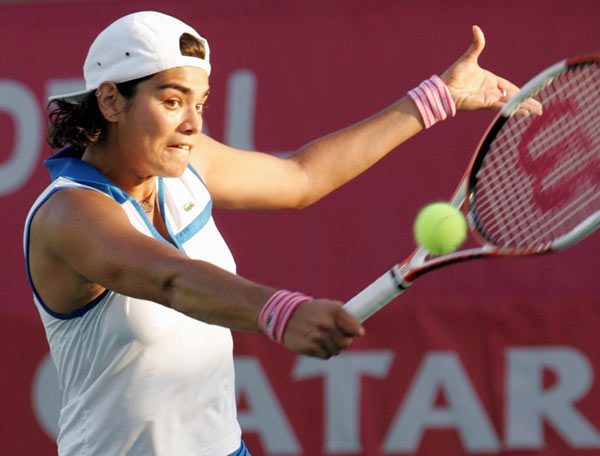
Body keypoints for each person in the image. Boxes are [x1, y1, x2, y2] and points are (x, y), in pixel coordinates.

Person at [23, 10, 541, 456]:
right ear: (111, 102)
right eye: (172, 101)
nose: (193, 125)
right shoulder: (70, 214)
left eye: (200, 102)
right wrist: (281, 311)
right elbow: (171, 280)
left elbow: (301, 177)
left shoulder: (188, 163)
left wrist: (439, 98)